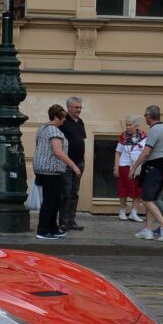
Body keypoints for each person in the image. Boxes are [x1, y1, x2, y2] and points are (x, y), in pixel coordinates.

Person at [130, 105, 163, 242]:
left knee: (147, 199)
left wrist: (134, 167)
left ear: (149, 115)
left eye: (145, 116)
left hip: (153, 168)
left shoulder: (154, 130)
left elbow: (146, 152)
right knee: (151, 199)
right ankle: (148, 230)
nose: (145, 118)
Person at [33, 104, 81, 240]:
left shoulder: (43, 128)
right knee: (50, 201)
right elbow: (58, 152)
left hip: (43, 169)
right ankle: (42, 230)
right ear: (55, 117)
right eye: (62, 118)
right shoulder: (54, 131)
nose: (64, 120)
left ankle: (53, 228)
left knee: (55, 200)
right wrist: (74, 166)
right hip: (51, 170)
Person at [58, 96, 87, 231]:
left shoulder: (80, 122)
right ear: (69, 108)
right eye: (76, 107)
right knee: (66, 193)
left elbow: (81, 139)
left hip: (79, 162)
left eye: (80, 107)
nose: (79, 110)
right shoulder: (63, 121)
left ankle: (71, 220)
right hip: (67, 163)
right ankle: (63, 222)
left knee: (75, 193)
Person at [115, 116, 145, 221]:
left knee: (137, 190)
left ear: (136, 126)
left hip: (138, 167)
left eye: (130, 125)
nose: (127, 127)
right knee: (123, 188)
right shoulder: (123, 136)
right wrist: (116, 167)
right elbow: (118, 153)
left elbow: (146, 152)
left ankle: (134, 212)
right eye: (126, 125)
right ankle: (122, 211)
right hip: (125, 165)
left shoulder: (145, 136)